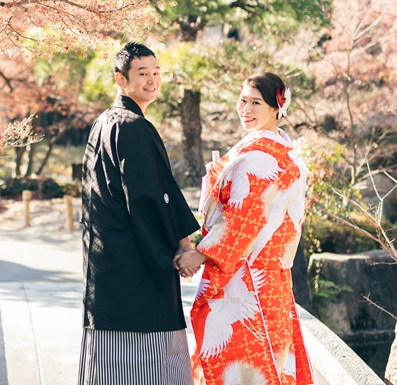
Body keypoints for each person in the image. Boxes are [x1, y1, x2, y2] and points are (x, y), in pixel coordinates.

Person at [174, 72, 313, 385]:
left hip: (248, 277)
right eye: (243, 100)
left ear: (277, 108)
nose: (246, 109)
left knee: (244, 364)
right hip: (271, 278)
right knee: (268, 362)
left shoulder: (258, 157)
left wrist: (199, 254)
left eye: (256, 103)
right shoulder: (284, 155)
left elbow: (244, 220)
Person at [79, 42, 201, 385]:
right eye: (142, 73)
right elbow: (150, 199)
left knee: (109, 368)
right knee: (148, 367)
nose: (152, 80)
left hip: (107, 264)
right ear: (121, 80)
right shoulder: (133, 126)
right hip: (135, 265)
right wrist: (180, 249)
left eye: (156, 73)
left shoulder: (104, 123)